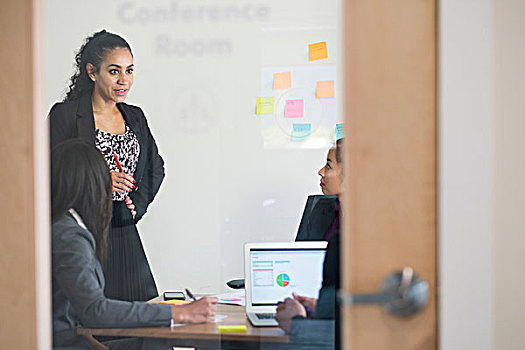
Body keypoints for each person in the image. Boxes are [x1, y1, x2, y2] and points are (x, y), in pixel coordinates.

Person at [51, 139, 218, 350]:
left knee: (154, 341)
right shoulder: (70, 237)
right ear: (92, 185)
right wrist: (180, 312)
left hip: (75, 341)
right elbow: (95, 311)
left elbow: (70, 312)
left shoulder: (61, 226)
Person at [49, 30, 163, 302]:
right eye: (114, 71)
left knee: (142, 324)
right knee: (92, 318)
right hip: (82, 231)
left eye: (129, 71)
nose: (124, 80)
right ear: (92, 72)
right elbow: (47, 172)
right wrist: (100, 179)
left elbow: (154, 168)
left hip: (124, 230)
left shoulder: (134, 116)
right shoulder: (65, 115)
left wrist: (137, 204)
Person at [275, 138, 344, 350]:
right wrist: (319, 307)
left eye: (329, 165)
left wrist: (299, 322)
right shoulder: (322, 211)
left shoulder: (366, 235)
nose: (320, 172)